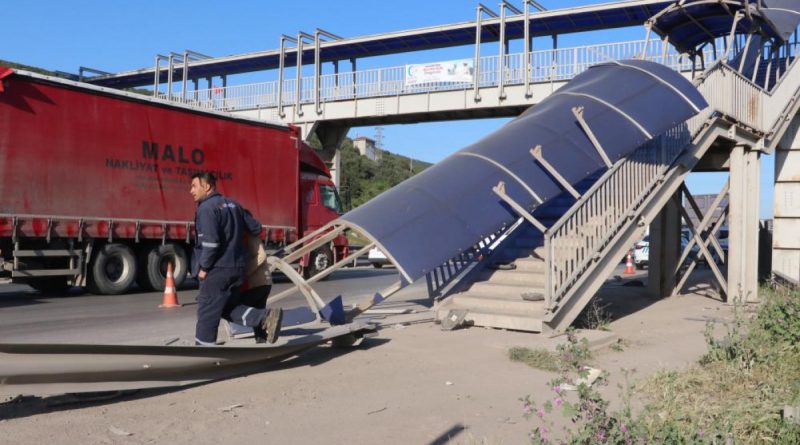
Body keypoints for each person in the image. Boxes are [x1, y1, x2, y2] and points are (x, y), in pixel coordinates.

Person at [189, 172, 282, 345]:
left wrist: (203, 268)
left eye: (194, 186)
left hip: (218, 269)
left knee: (207, 309)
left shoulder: (207, 208)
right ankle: (263, 318)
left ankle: (203, 351)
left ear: (207, 186)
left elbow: (211, 243)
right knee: (224, 308)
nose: (191, 191)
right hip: (237, 268)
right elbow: (256, 227)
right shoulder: (234, 205)